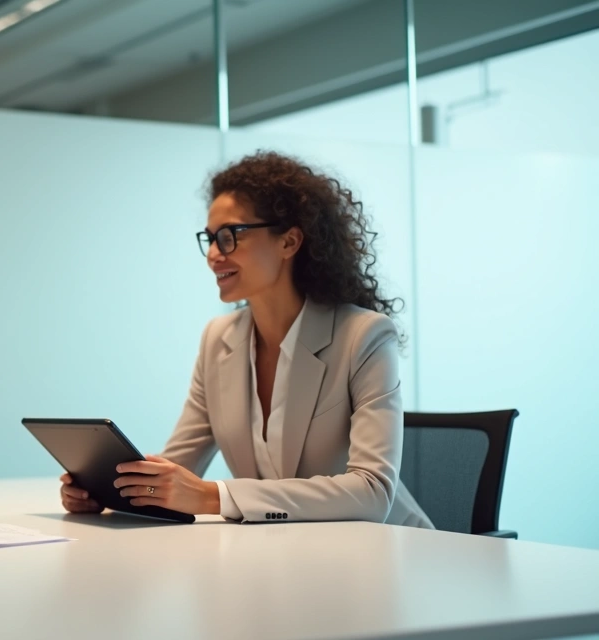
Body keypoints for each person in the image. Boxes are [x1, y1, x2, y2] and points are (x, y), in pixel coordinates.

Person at [60, 151, 432, 528]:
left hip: (391, 556)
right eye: (209, 239)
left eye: (229, 236)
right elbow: (178, 466)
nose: (213, 255)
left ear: (289, 242)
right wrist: (108, 490)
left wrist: (214, 496)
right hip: (289, 556)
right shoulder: (219, 339)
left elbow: (372, 492)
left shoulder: (364, 337)